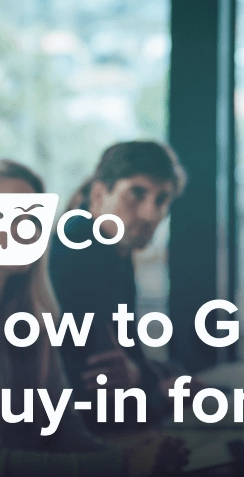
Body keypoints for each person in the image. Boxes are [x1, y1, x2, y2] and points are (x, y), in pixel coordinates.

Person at [0, 159, 187, 477]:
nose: (22, 228)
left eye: (32, 217)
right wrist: (122, 464)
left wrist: (141, 455)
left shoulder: (32, 326)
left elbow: (69, 438)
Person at [49, 142, 186, 430]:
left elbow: (129, 359)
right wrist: (158, 390)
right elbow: (101, 389)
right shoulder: (77, 251)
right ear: (99, 194)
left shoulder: (113, 252)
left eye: (161, 200)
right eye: (137, 193)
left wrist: (151, 377)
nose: (151, 214)